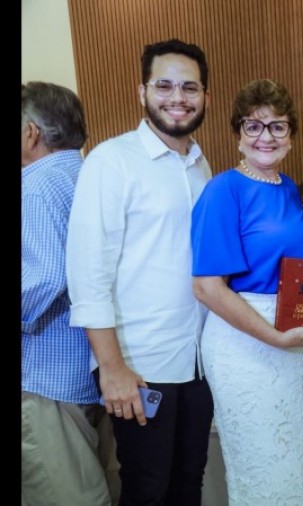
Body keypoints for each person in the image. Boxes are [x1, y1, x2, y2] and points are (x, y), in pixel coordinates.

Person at [66, 38, 214, 505]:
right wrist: (111, 369)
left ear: (205, 96)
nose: (178, 98)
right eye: (164, 85)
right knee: (147, 490)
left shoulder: (199, 163)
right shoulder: (112, 161)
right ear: (142, 92)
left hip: (198, 363)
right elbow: (88, 275)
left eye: (189, 87)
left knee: (189, 484)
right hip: (141, 367)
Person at [191, 79, 303, 505]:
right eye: (254, 126)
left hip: (294, 337)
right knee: (262, 460)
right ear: (238, 134)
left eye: (277, 127)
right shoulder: (223, 189)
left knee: (298, 455)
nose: (265, 137)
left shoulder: (286, 187)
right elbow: (207, 287)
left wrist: (292, 333)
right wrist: (273, 337)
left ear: (291, 136)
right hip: (246, 342)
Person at [21, 82, 113, 506]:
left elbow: (46, 276)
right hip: (99, 366)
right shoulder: (93, 175)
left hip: (49, 376)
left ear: (31, 133)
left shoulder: (35, 187)